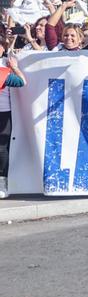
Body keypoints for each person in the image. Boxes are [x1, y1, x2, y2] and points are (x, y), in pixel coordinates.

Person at [0, 48, 27, 199]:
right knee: (2, 148)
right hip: (3, 112)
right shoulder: (3, 70)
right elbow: (22, 81)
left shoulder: (3, 70)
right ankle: (2, 183)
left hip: (3, 112)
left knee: (2, 148)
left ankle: (2, 182)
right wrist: (15, 68)